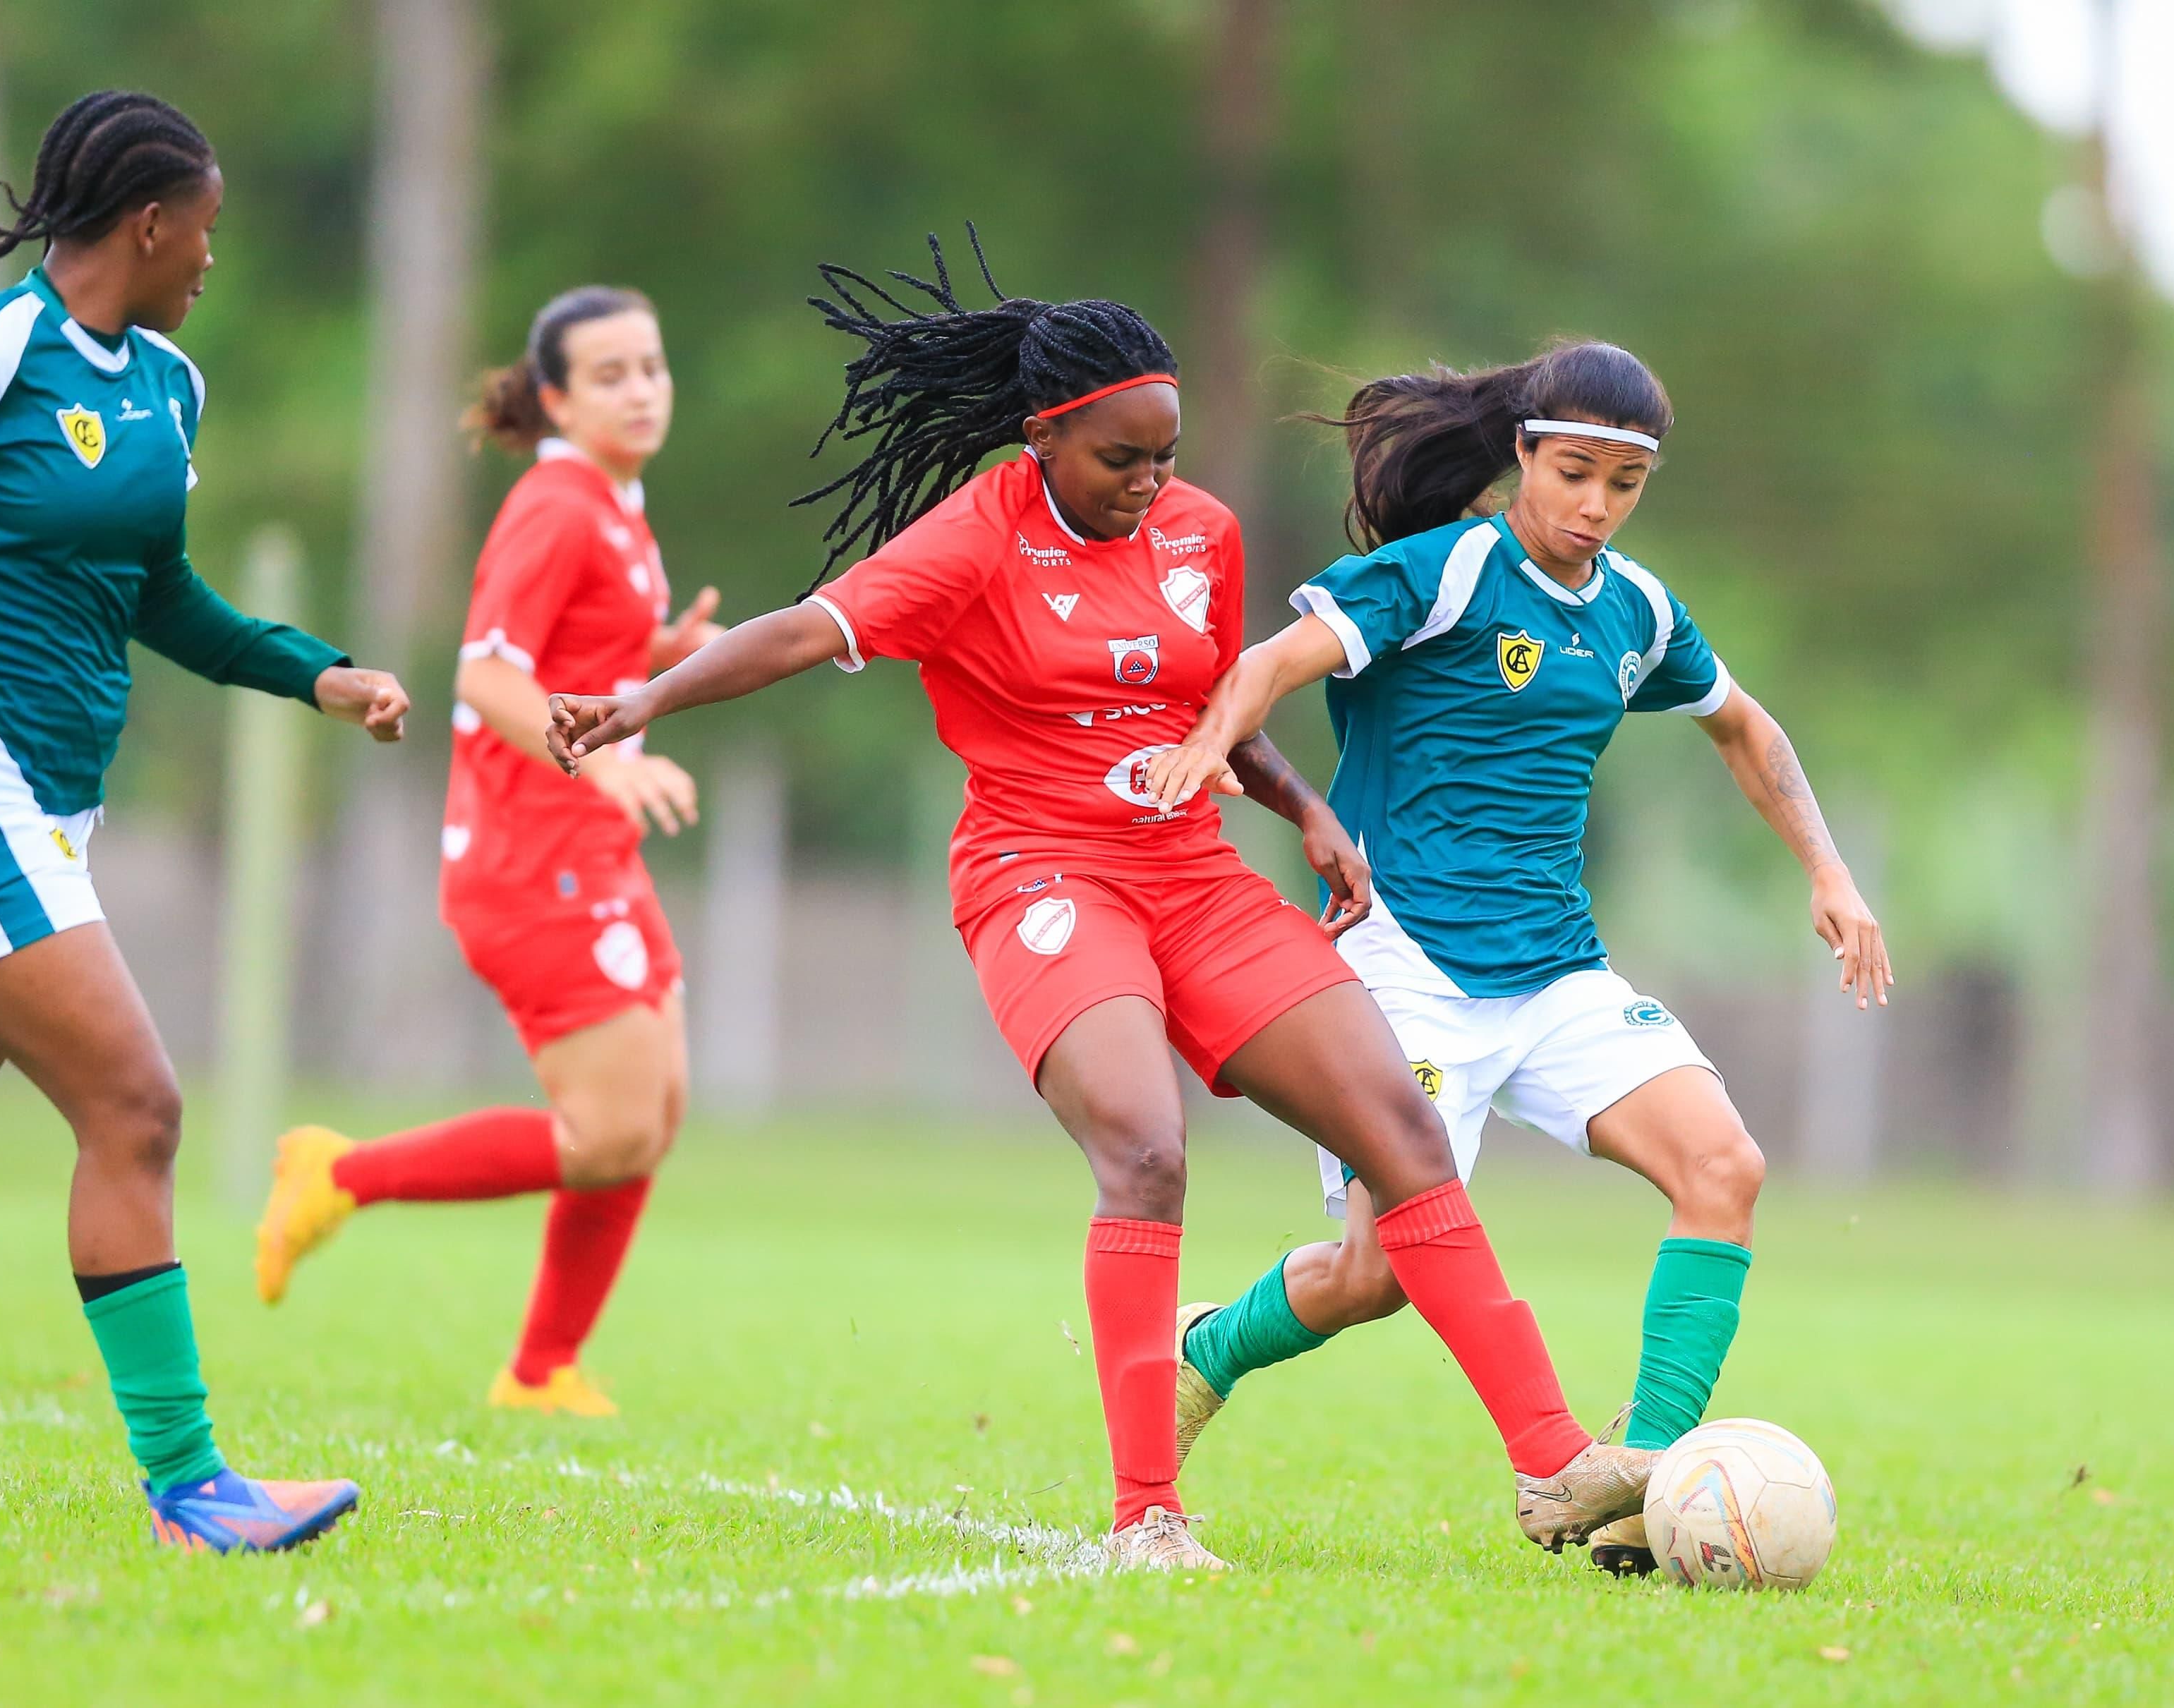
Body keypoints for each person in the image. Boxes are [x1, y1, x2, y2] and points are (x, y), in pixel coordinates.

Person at [544, 232, 1653, 1571]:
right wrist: (646, 699)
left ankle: (1554, 1462)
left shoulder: (1203, 534)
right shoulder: (972, 538)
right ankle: (1147, 1518)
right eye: (1121, 458)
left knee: (1401, 1126)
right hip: (1039, 875)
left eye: (1167, 453)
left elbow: (1214, 712)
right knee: (1146, 1146)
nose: (1152, 482)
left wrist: (1302, 807)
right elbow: (798, 630)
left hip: (1191, 870)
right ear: (1045, 438)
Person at [1140, 339, 1894, 1575]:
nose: (1596, 507)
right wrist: (1215, 739)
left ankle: (1638, 1483)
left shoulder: (1639, 611)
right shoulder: (1438, 574)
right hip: (1402, 973)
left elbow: (1745, 727)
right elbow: (1275, 660)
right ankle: (1207, 1350)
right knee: (1374, 1276)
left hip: (1556, 972)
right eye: (1576, 474)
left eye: (1624, 485)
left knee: (1725, 1165)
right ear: (1523, 457)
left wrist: (1830, 867)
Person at [0, 90, 409, 1551]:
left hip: (36, 816)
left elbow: (158, 596)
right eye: (203, 229)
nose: (211, 255)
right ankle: (191, 1483)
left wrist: (310, 671)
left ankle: (192, 1485)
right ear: (148, 222)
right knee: (135, 1106)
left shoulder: (169, 388)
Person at [255, 286, 719, 1416]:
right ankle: (338, 1172)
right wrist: (607, 759)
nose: (642, 388)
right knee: (609, 1130)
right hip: (531, 857)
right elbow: (485, 675)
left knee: (649, 1118)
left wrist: (659, 651)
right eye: (610, 374)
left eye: (651, 366)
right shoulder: (558, 502)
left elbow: (570, 652)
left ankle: (542, 1369)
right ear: (557, 397)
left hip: (589, 849)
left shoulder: (616, 501)